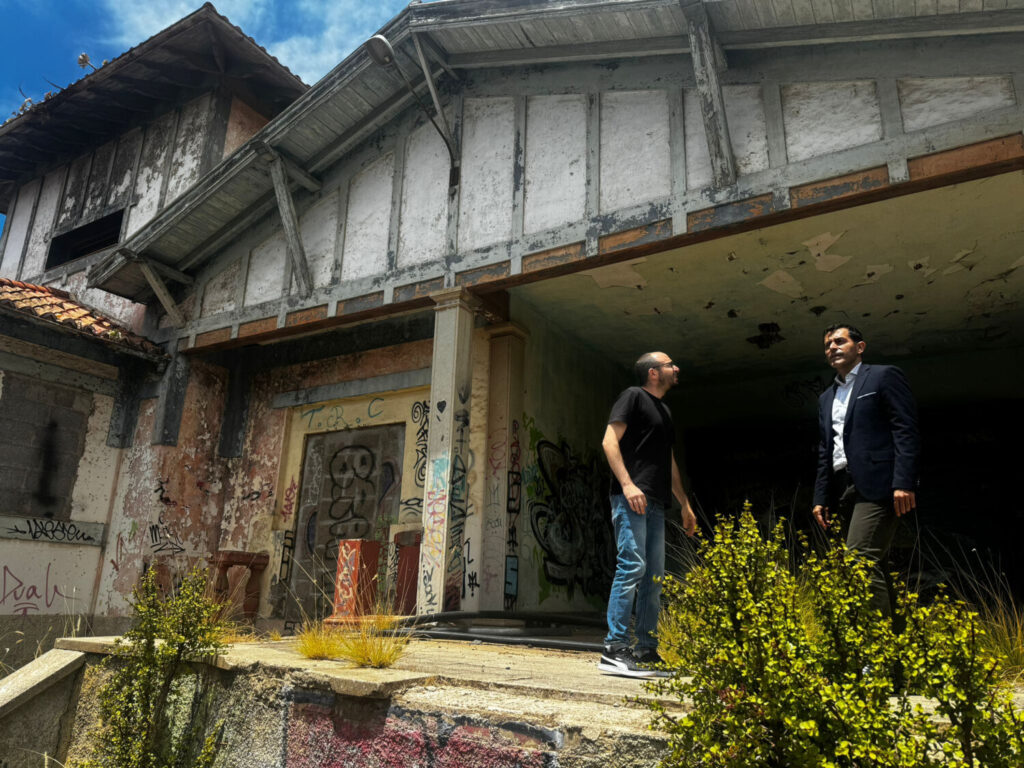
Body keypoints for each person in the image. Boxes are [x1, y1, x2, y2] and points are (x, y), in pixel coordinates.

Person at [599, 351, 697, 678]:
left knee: (654, 577)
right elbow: (609, 441)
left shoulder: (664, 411)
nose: (676, 367)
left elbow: (668, 461)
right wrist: (628, 485)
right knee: (632, 566)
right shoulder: (633, 397)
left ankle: (645, 649)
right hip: (631, 498)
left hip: (656, 502)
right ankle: (614, 649)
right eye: (670, 364)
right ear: (654, 372)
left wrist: (684, 503)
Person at [812, 324, 920, 616]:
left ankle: (875, 642)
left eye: (839, 341)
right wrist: (820, 496)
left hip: (880, 483)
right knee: (875, 564)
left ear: (860, 347)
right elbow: (825, 449)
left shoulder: (883, 376)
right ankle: (896, 638)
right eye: (827, 345)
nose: (832, 348)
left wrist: (904, 482)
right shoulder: (826, 397)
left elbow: (905, 430)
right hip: (843, 487)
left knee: (859, 560)